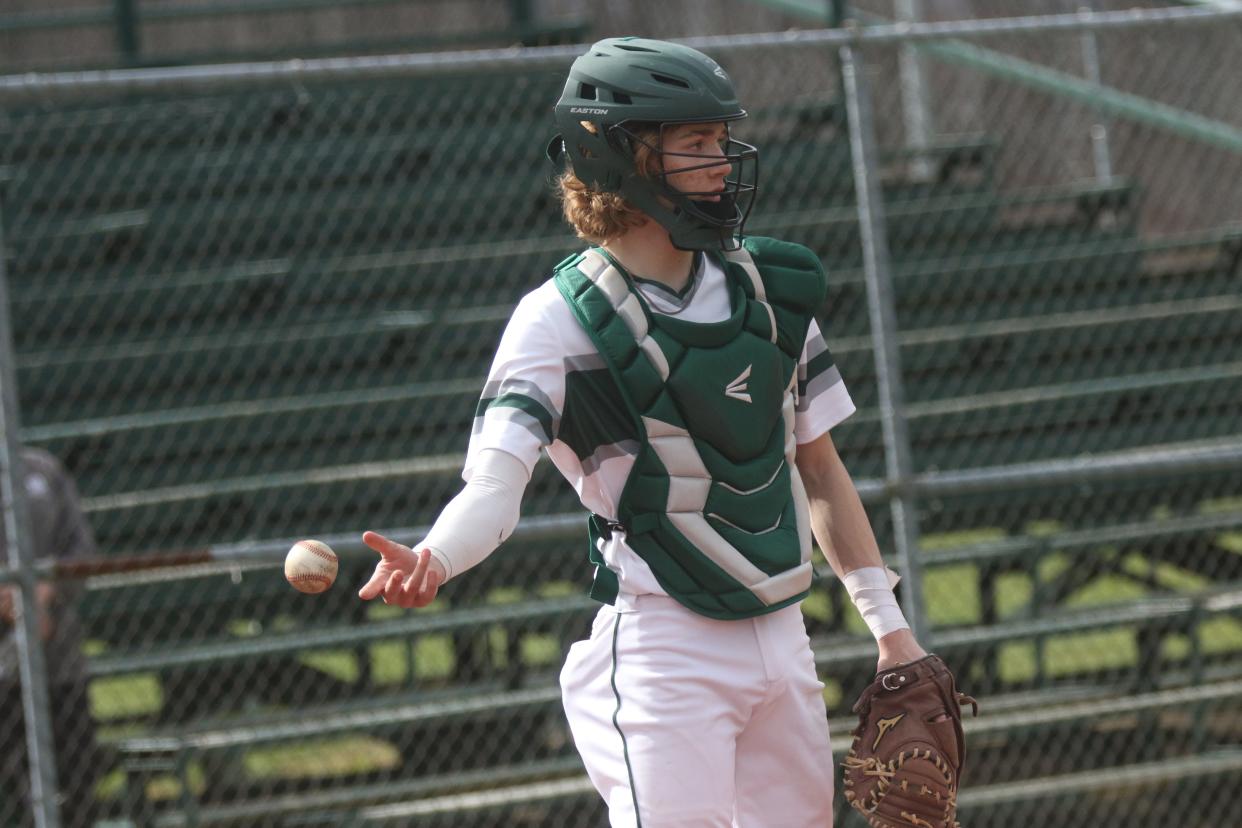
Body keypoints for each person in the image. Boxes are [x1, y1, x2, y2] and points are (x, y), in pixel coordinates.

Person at [359, 37, 930, 826]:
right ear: (622, 156)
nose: (722, 162)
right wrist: (434, 556)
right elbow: (493, 485)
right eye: (695, 144)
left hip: (783, 637)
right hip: (666, 650)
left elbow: (820, 469)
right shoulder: (557, 320)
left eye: (721, 140)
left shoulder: (768, 293)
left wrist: (891, 629)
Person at [0, 448, 102, 828]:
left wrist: (45, 590)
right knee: (17, 792)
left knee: (77, 782)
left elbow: (82, 551)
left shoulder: (43, 469)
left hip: (59, 663)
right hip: (4, 676)